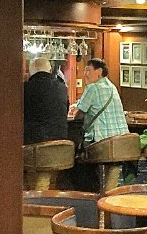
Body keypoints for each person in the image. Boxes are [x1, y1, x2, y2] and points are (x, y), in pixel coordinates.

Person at [69, 58, 129, 190]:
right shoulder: (112, 87)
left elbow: (79, 115)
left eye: (88, 70)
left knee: (76, 159)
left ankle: (89, 192)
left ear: (99, 71)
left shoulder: (93, 88)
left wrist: (74, 111)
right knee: (110, 167)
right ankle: (107, 193)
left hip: (102, 142)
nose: (85, 74)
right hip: (122, 141)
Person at [23, 57, 69, 144]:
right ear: (50, 70)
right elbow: (66, 110)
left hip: (34, 145)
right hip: (60, 143)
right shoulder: (62, 87)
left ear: (30, 73)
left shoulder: (25, 88)